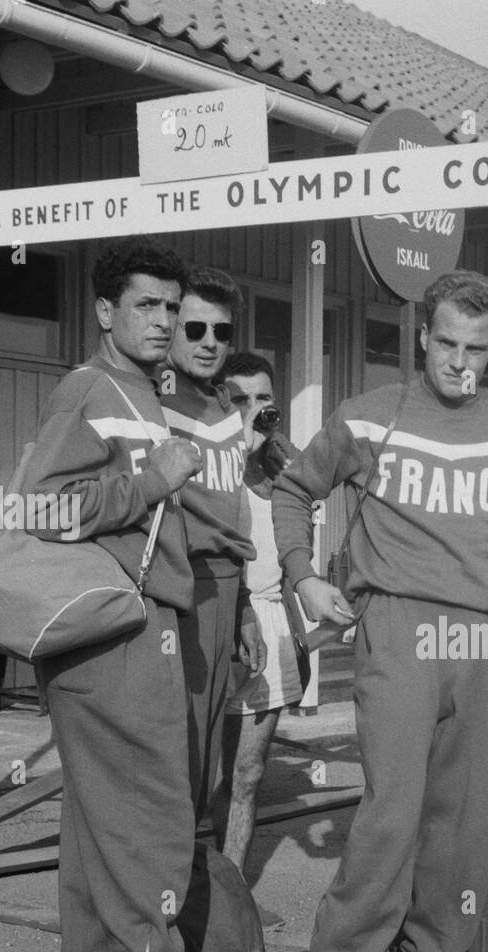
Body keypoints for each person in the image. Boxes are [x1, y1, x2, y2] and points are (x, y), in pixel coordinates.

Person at [273, 269, 488, 952]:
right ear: (423, 336)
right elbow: (293, 491)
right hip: (395, 623)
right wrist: (305, 575)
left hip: (483, 638)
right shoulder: (368, 418)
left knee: (463, 815)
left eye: (477, 349)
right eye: (447, 343)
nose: (460, 361)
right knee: (393, 805)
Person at [24, 236, 261, 952]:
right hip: (116, 633)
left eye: (171, 306)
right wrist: (154, 481)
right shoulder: (89, 389)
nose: (164, 322)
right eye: (146, 307)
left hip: (127, 624)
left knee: (99, 823)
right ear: (104, 313)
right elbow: (43, 510)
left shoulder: (140, 390)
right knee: (153, 814)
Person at [161, 269, 264, 823]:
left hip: (225, 590)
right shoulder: (153, 399)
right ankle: (161, 897)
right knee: (174, 754)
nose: (208, 342)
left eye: (221, 332)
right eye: (195, 327)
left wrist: (244, 604)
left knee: (206, 762)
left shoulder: (225, 407)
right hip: (179, 591)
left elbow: (235, 512)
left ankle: (193, 885)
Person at [214, 352, 305, 876]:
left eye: (264, 398)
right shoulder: (215, 464)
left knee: (247, 775)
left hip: (270, 626)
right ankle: (187, 895)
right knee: (203, 773)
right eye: (241, 399)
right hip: (218, 620)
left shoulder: (286, 467)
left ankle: (231, 893)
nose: (255, 409)